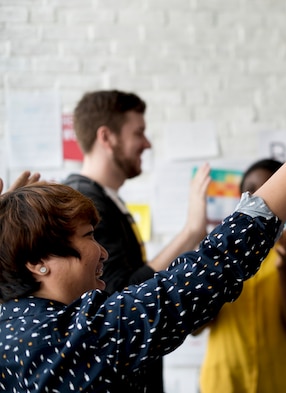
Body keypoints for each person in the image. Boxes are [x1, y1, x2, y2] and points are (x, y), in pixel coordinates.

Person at [0, 65, 286, 393]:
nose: (102, 251)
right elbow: (209, 270)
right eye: (88, 236)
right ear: (35, 261)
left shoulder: (10, 326)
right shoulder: (86, 334)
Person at [62, 90, 210, 391]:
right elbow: (121, 295)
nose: (147, 143)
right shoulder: (86, 203)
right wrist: (191, 233)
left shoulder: (102, 200)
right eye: (138, 133)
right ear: (107, 137)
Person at [197, 158, 286, 393]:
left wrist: (283, 269)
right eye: (250, 191)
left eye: (270, 189)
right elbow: (195, 328)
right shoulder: (217, 248)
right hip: (224, 381)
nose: (259, 199)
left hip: (284, 381)